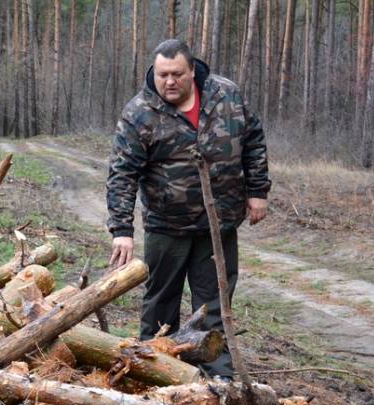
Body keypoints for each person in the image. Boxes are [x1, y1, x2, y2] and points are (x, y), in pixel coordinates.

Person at [106, 39, 271, 376]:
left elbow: (253, 139)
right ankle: (154, 374)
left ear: (192, 70)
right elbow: (122, 173)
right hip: (167, 227)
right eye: (162, 74)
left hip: (219, 224)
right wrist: (122, 230)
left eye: (177, 74)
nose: (169, 81)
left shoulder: (225, 94)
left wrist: (258, 191)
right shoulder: (139, 112)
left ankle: (218, 381)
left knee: (214, 306)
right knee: (160, 306)